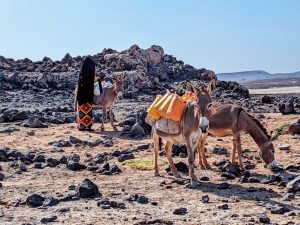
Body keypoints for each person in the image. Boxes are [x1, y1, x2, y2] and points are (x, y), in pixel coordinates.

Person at [75, 57, 95, 131]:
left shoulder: (82, 72)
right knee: (88, 110)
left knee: (82, 110)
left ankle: (82, 126)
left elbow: (80, 83)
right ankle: (88, 126)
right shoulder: (91, 72)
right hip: (89, 95)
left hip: (82, 95)